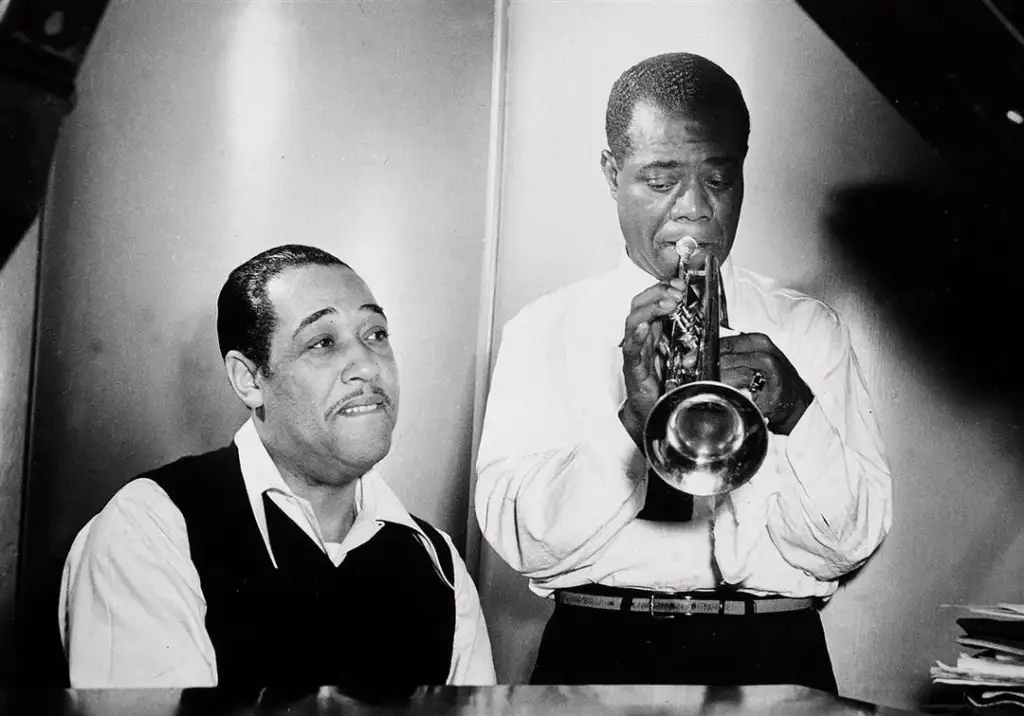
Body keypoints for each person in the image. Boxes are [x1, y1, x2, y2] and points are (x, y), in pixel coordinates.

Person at [474, 52, 892, 691]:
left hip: (776, 653)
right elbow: (525, 544)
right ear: (613, 173)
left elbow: (849, 545)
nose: (695, 211)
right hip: (599, 651)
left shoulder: (809, 328)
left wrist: (795, 413)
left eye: (720, 180)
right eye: (661, 179)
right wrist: (632, 421)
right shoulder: (541, 329)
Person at [59, 244, 495, 690]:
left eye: (376, 334)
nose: (367, 365)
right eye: (322, 342)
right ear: (249, 380)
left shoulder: (437, 561)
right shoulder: (155, 526)